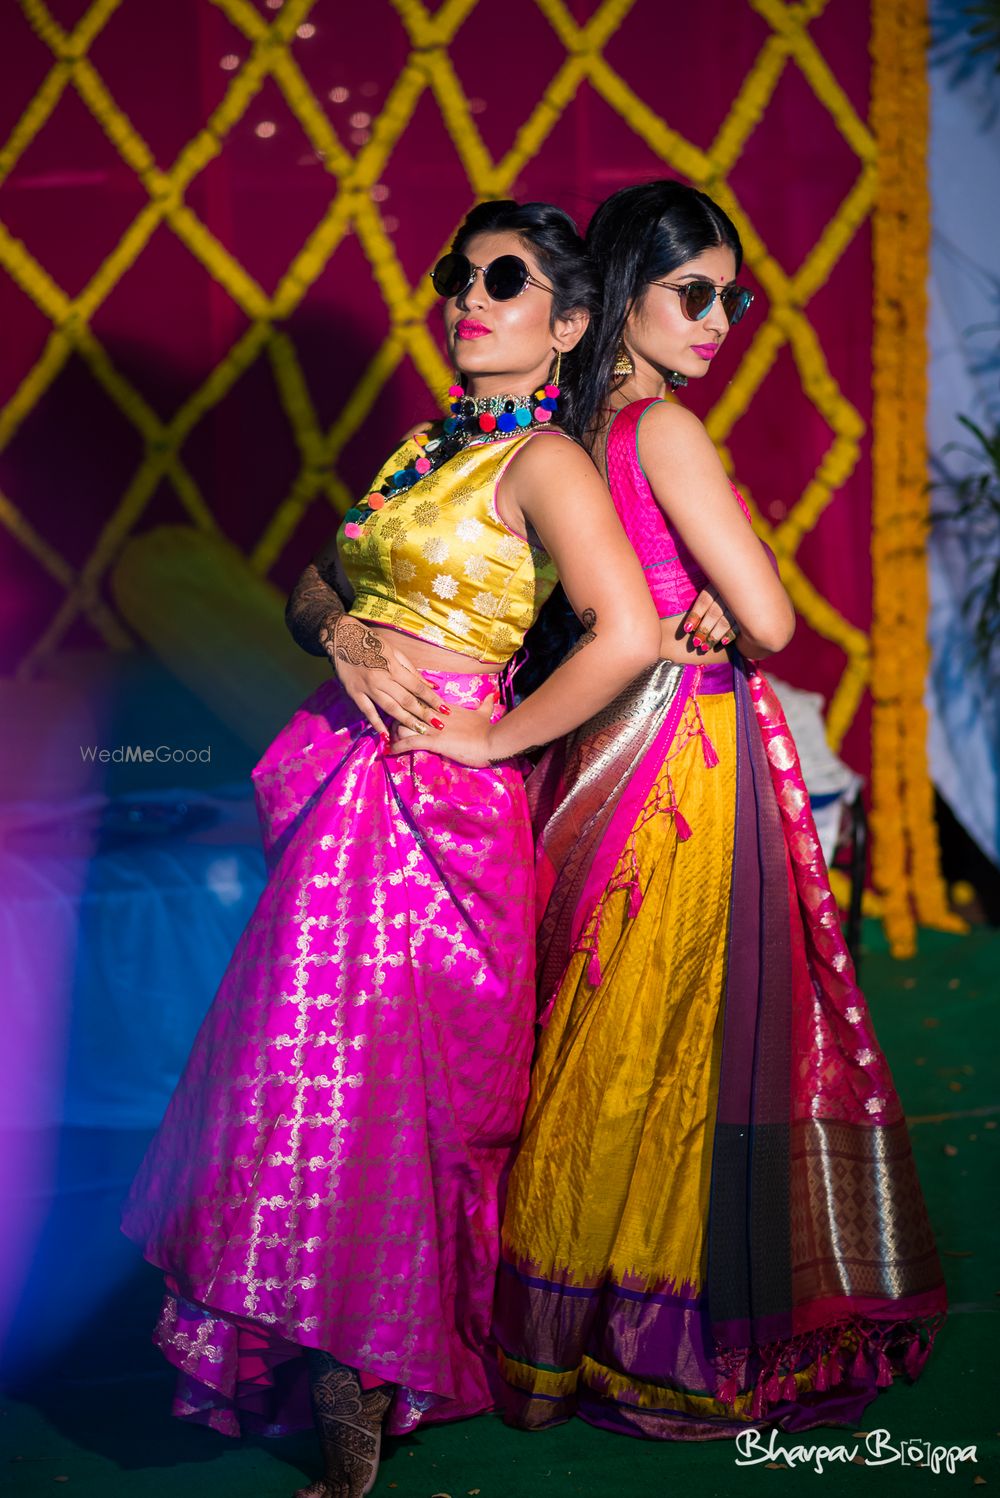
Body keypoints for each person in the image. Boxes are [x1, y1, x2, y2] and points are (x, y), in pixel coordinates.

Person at [121, 199, 661, 1498]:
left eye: (506, 279)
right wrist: (345, 636)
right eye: (457, 276)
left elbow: (625, 629)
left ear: (568, 321)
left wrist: (491, 740)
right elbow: (318, 578)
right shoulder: (427, 447)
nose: (469, 297)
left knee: (393, 1100)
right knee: (298, 1077)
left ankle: (367, 1373)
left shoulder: (545, 463)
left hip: (434, 818)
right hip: (344, 791)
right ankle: (337, 1363)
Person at [478, 180, 947, 1439]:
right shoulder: (665, 433)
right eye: (695, 293)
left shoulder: (557, 434)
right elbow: (780, 619)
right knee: (673, 1045)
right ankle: (650, 1330)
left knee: (590, 1036)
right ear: (624, 294)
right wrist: (741, 603)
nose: (720, 319)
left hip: (581, 755)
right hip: (681, 761)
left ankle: (549, 1328)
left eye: (732, 298)